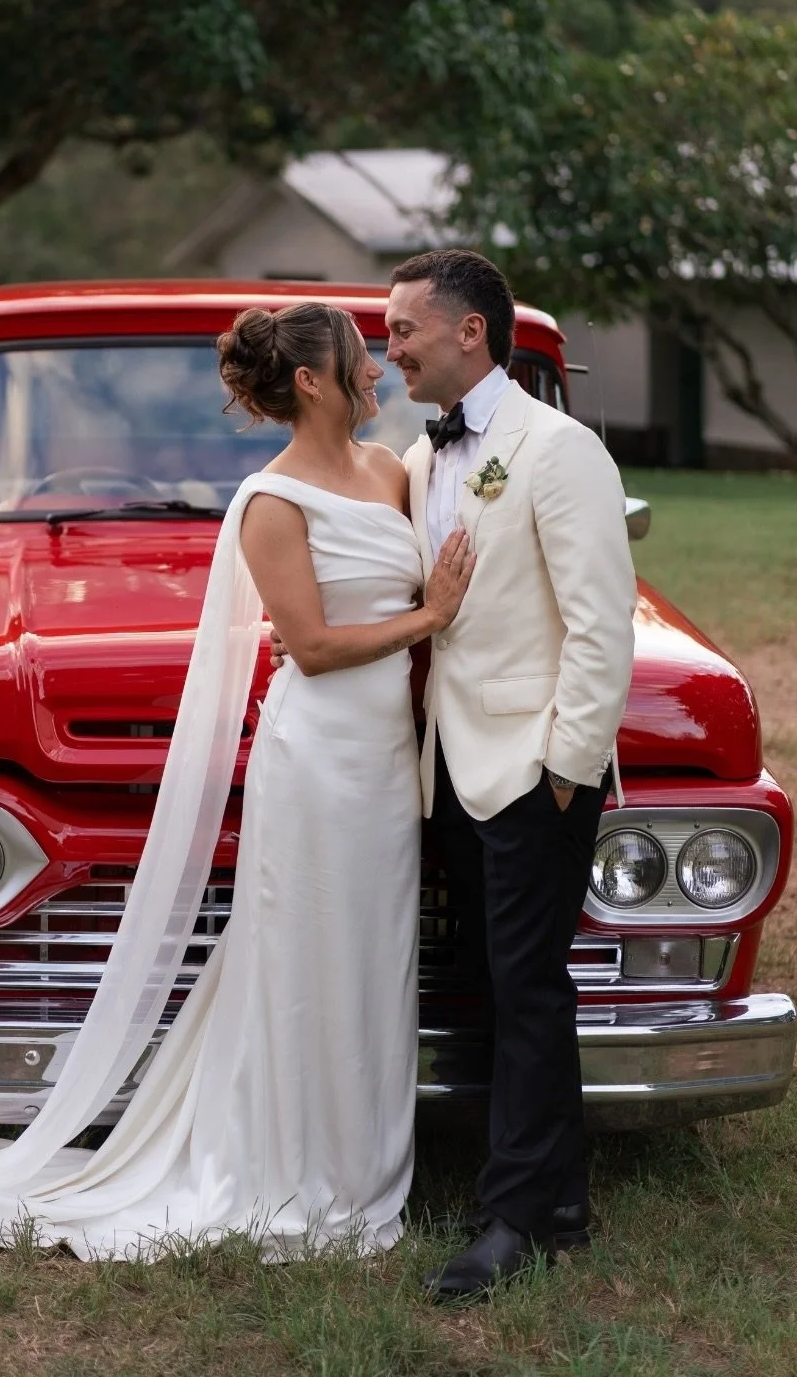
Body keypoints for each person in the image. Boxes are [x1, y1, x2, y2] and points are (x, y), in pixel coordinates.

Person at [0, 303, 474, 1260]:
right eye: (361, 357)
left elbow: (374, 595)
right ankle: (299, 1164)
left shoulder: (392, 470)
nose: (378, 369)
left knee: (374, 951)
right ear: (315, 381)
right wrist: (429, 617)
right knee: (311, 956)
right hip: (319, 754)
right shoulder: (270, 503)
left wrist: (428, 605)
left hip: (381, 762)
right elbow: (315, 647)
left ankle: (367, 1162)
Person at [392, 249, 637, 1298]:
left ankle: (516, 1216)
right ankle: (561, 1193)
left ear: (469, 332)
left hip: (535, 768)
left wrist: (568, 770)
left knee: (527, 984)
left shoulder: (559, 448)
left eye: (403, 328)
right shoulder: (416, 456)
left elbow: (600, 624)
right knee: (498, 981)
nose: (388, 345)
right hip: (448, 761)